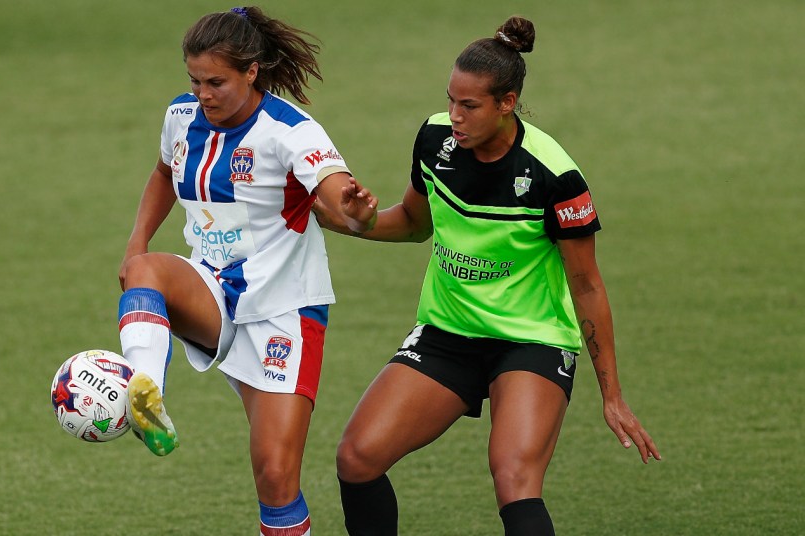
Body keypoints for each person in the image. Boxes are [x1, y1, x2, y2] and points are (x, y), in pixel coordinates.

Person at [317, 15, 661, 535]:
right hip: (448, 333)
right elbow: (414, 223)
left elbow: (587, 285)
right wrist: (356, 223)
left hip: (530, 340)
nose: (455, 116)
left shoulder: (555, 177)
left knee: (514, 479)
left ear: (507, 103)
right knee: (357, 457)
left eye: (470, 106)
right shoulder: (435, 140)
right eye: (451, 101)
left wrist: (612, 395)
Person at [115, 6, 377, 535]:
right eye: (195, 80)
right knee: (145, 269)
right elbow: (164, 172)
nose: (203, 94)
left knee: (275, 477)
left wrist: (355, 210)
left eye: (216, 82)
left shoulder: (291, 131)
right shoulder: (181, 116)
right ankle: (145, 391)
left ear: (251, 72)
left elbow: (337, 192)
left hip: (283, 311)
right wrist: (135, 243)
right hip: (211, 290)